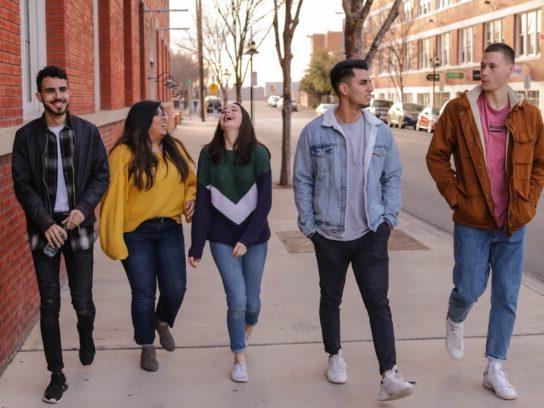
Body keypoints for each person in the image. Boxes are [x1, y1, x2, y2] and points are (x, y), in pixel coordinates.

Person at [427, 43, 544, 400]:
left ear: (511, 70)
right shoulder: (460, 110)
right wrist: (456, 197)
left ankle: (494, 367)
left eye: (492, 66)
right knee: (469, 287)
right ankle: (455, 316)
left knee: (506, 297)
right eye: (482, 66)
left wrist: (528, 200)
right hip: (472, 221)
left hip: (512, 223)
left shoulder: (530, 115)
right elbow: (436, 157)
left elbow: (539, 164)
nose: (485, 72)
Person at [293, 59, 413, 401]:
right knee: (331, 298)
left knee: (378, 302)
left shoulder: (380, 130)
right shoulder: (315, 132)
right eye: (363, 82)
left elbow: (392, 175)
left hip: (371, 233)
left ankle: (388, 374)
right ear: (344, 89)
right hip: (328, 235)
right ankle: (334, 355)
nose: (370, 88)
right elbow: (302, 178)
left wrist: (389, 220)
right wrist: (309, 226)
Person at [11, 65, 109, 403]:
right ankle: (57, 374)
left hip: (78, 226)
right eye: (51, 91)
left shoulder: (87, 133)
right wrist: (45, 222)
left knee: (82, 302)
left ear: (69, 92)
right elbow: (22, 185)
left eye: (63, 90)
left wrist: (84, 207)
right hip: (45, 230)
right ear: (39, 96)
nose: (58, 96)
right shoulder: (26, 137)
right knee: (49, 304)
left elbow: (101, 175)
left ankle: (86, 333)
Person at [100, 100, 196, 372]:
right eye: (157, 115)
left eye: (164, 113)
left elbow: (191, 182)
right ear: (143, 121)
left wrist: (191, 199)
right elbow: (113, 199)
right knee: (143, 293)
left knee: (176, 288)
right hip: (136, 233)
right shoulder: (123, 154)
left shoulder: (174, 149)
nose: (164, 118)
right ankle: (146, 345)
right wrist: (113, 239)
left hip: (170, 229)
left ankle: (162, 321)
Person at [188, 103, 272, 383]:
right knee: (236, 299)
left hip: (255, 238)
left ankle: (247, 326)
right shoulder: (207, 155)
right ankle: (239, 356)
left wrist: (247, 240)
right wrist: (197, 245)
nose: (227, 111)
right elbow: (202, 203)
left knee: (253, 303)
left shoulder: (259, 154)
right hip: (221, 239)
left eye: (235, 109)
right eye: (224, 110)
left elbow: (265, 204)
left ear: (244, 119)